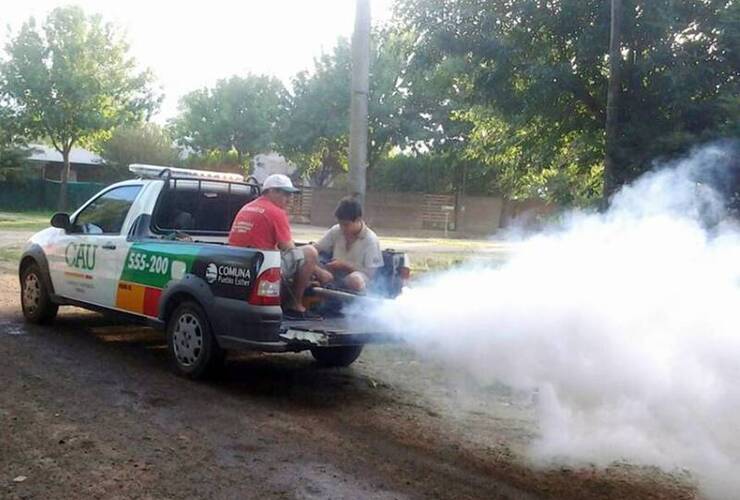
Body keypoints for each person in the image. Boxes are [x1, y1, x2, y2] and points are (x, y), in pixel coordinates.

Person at [228, 174, 321, 319]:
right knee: (310, 253)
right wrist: (318, 271)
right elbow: (290, 249)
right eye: (285, 194)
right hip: (261, 266)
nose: (289, 199)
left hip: (239, 262)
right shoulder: (276, 212)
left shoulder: (248, 207)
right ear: (271, 191)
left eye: (290, 195)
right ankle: (295, 305)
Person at [314, 196, 383, 292]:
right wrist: (319, 270)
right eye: (340, 224)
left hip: (359, 280)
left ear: (358, 220)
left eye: (346, 225)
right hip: (333, 274)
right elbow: (316, 248)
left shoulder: (370, 240)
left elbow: (370, 274)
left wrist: (344, 265)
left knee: (355, 280)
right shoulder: (336, 230)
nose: (342, 228)